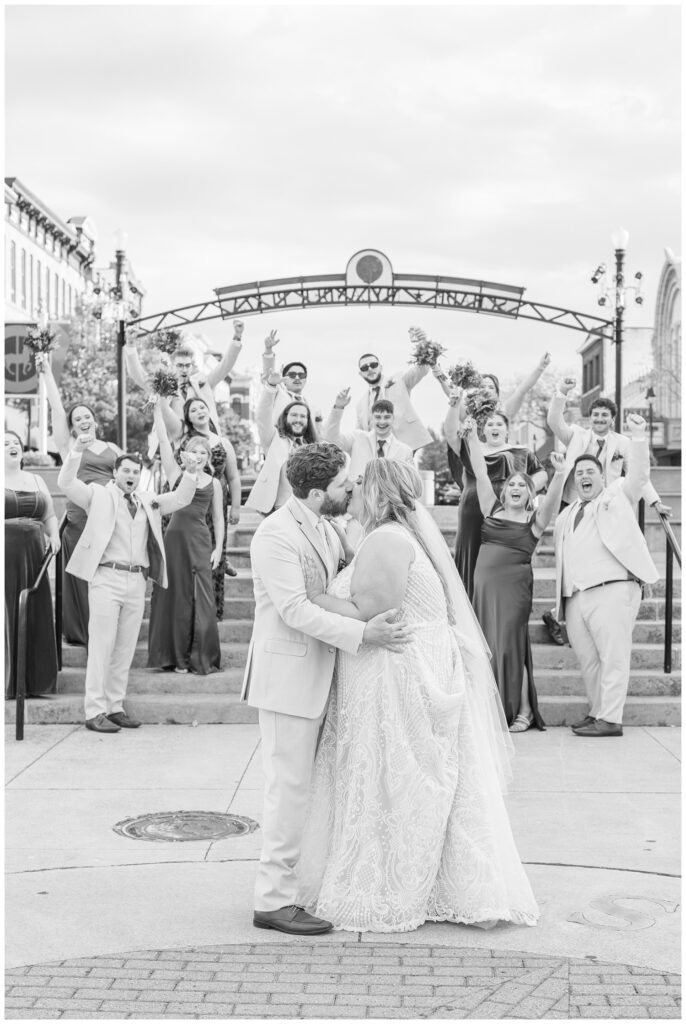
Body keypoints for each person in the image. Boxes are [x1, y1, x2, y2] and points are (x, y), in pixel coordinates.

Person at [295, 458, 539, 932]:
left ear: (379, 493)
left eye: (360, 484)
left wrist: (314, 597)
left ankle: (388, 886)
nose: (353, 491)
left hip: (397, 676)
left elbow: (373, 610)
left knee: (394, 784)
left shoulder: (387, 539)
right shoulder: (396, 537)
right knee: (403, 785)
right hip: (408, 667)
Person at [242, 442, 414, 936]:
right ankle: (272, 901)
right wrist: (364, 635)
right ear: (318, 492)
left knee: (306, 791)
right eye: (344, 484)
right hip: (289, 681)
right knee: (288, 791)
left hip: (325, 676)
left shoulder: (328, 526)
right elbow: (294, 608)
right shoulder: (275, 535)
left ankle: (297, 885)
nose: (352, 489)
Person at [58, 439, 199, 733]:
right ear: (115, 473)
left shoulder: (148, 500)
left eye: (136, 471)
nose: (131, 476)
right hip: (106, 578)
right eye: (126, 471)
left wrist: (190, 471)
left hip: (136, 581)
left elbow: (181, 499)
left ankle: (115, 706)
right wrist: (76, 453)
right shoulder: (98, 494)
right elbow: (67, 483)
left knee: (125, 649)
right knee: (101, 647)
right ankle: (94, 710)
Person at [553, 414, 659, 737]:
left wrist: (638, 438)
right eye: (580, 473)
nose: (585, 477)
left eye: (590, 472)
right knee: (589, 661)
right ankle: (598, 711)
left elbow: (638, 476)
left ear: (602, 476)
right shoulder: (566, 514)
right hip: (575, 597)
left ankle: (611, 719)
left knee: (613, 656)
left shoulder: (617, 496)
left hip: (612, 588)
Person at [543, 381, 670, 645]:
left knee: (604, 556)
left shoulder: (622, 443)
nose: (599, 419)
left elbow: (639, 476)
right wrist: (562, 394)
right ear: (590, 418)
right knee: (569, 559)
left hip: (607, 509)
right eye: (596, 415)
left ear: (612, 420)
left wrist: (655, 503)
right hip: (574, 504)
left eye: (604, 415)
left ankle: (590, 610)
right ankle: (559, 613)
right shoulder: (577, 435)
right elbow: (555, 421)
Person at [466, 420, 567, 731]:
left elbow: (550, 502)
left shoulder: (533, 521)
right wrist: (471, 435)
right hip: (483, 588)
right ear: (505, 489)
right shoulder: (491, 509)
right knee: (485, 644)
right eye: (511, 484)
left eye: (523, 485)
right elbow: (481, 473)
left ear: (528, 493)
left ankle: (523, 711)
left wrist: (560, 474)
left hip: (514, 589)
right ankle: (490, 708)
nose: (516, 488)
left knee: (511, 643)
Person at [36, 352, 121, 645]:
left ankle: (107, 628)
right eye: (77, 419)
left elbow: (128, 479)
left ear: (95, 420)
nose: (83, 421)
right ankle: (82, 631)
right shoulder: (69, 444)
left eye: (87, 416)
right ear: (72, 427)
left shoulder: (112, 446)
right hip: (78, 520)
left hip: (107, 518)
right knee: (81, 576)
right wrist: (46, 372)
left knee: (105, 577)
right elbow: (57, 407)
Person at [445, 399, 547, 601]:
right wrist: (454, 404)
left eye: (499, 424)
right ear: (483, 429)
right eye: (490, 424)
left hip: (506, 512)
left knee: (500, 559)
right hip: (472, 510)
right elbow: (450, 433)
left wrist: (524, 490)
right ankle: (469, 607)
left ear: (507, 429)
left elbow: (542, 474)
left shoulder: (521, 451)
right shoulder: (471, 447)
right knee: (471, 556)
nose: (494, 427)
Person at [147, 402, 223, 674]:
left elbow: (218, 518)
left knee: (201, 596)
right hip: (175, 540)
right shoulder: (176, 475)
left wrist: (219, 549)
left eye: (203, 452)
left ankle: (199, 655)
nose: (199, 456)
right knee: (175, 595)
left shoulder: (213, 483)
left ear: (208, 456)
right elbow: (165, 441)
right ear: (186, 455)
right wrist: (158, 410)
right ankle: (175, 656)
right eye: (194, 451)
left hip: (201, 540)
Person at [5, 431, 60, 699]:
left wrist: (55, 535)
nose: (12, 446)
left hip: (35, 551)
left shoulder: (37, 479)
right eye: (5, 443)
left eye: (15, 443)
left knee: (34, 608)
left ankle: (35, 680)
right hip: (6, 552)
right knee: (9, 609)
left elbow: (49, 513)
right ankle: (8, 679)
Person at [124, 320, 245, 442]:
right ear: (172, 366)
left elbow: (224, 366)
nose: (184, 369)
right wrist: (130, 343)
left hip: (204, 444)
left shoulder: (203, 383)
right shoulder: (163, 387)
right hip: (174, 445)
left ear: (191, 366)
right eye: (180, 365)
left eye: (187, 365)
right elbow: (139, 375)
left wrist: (237, 336)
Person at [171, 396, 241, 603]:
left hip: (216, 495)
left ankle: (211, 606)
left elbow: (234, 477)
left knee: (214, 550)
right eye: (193, 410)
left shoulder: (223, 442)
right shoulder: (182, 439)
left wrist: (235, 507)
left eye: (202, 407)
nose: (200, 411)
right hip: (189, 499)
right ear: (188, 418)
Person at [245, 372, 319, 515]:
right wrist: (271, 387)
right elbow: (262, 416)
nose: (298, 419)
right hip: (279, 509)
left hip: (308, 511)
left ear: (308, 421)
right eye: (294, 415)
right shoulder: (274, 439)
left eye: (303, 416)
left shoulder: (313, 447)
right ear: (285, 418)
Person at [355, 349, 445, 451]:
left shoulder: (398, 380)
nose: (370, 369)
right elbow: (358, 436)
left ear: (380, 367)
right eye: (364, 368)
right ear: (361, 374)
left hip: (404, 446)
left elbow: (421, 370)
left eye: (373, 365)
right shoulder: (360, 405)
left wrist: (426, 349)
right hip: (377, 454)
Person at [322, 391, 414, 478]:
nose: (382, 422)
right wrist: (338, 408)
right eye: (378, 417)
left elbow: (411, 485)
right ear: (371, 418)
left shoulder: (405, 452)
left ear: (393, 419)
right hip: (359, 494)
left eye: (387, 417)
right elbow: (331, 439)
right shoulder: (357, 438)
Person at [260, 330, 323, 427]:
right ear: (284, 379)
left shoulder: (313, 409)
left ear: (305, 380)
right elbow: (269, 378)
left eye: (301, 375)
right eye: (292, 375)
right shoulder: (278, 395)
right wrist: (268, 350)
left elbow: (319, 434)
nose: (297, 378)